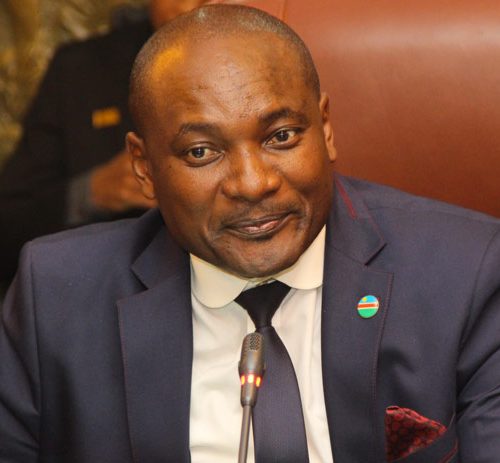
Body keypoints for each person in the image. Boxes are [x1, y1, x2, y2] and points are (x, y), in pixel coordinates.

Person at [1, 4, 499, 462]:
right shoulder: (56, 297)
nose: (253, 183)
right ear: (144, 167)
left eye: (281, 136)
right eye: (201, 152)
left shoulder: (466, 274)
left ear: (325, 128)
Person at [0, 0, 206, 284]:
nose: (198, 6)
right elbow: (9, 223)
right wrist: (94, 191)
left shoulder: (265, 59)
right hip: (108, 281)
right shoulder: (82, 70)